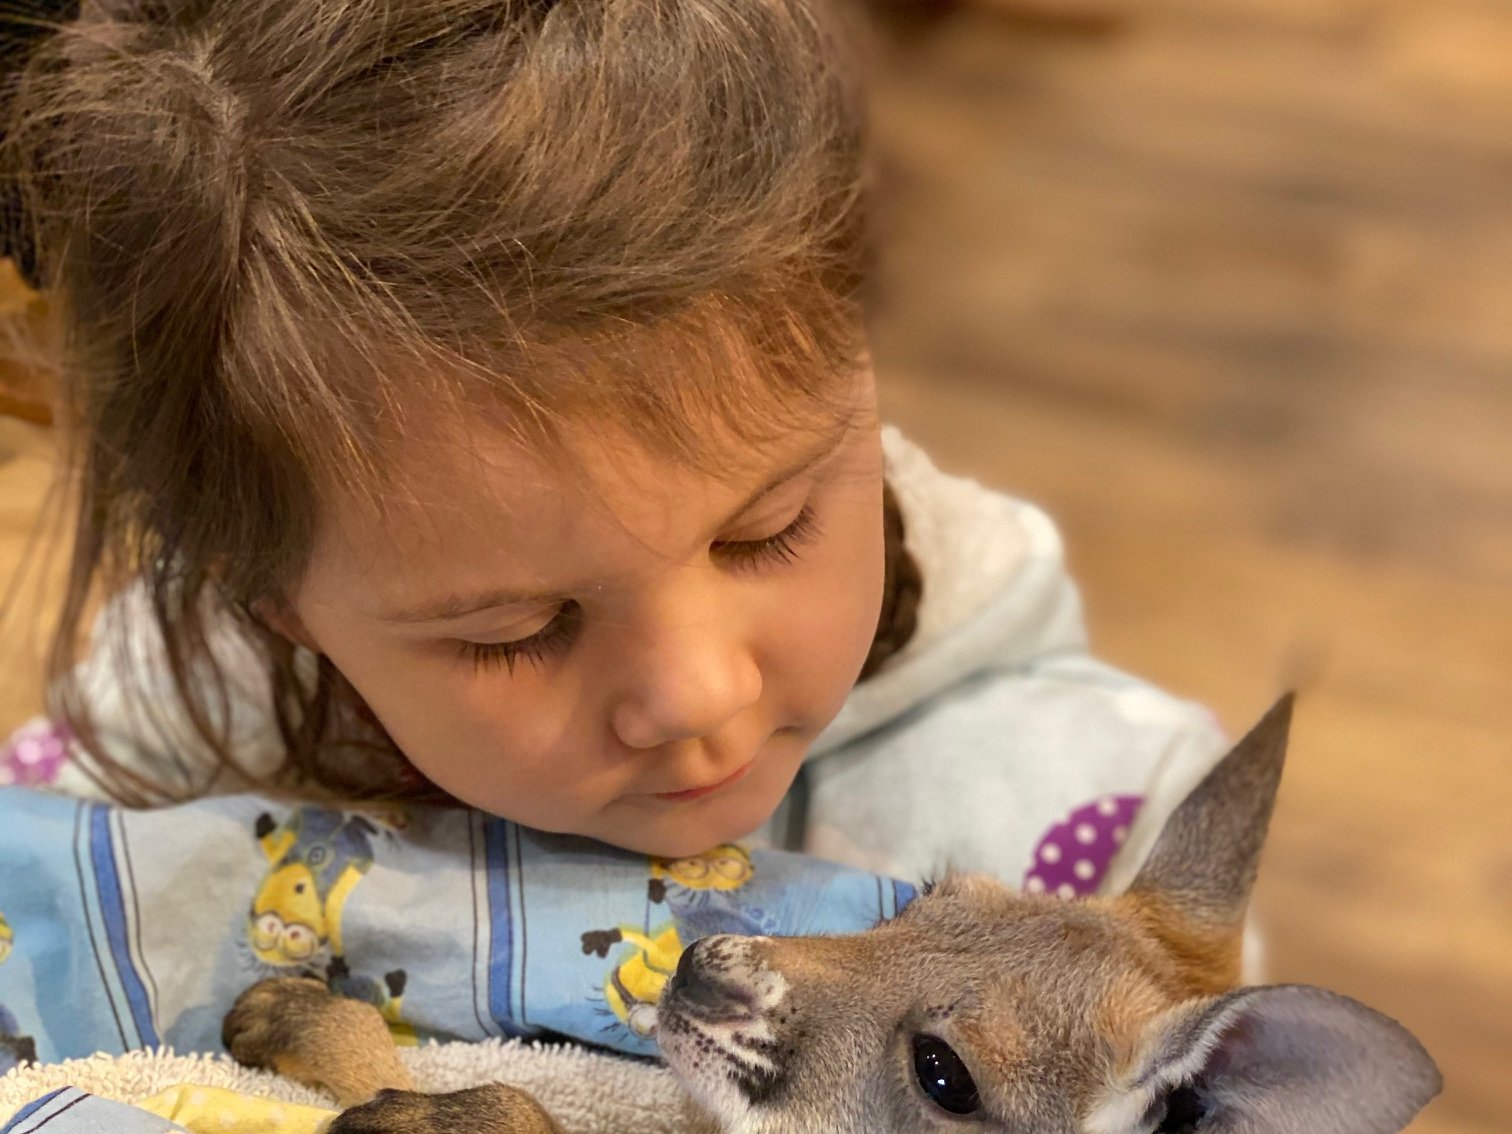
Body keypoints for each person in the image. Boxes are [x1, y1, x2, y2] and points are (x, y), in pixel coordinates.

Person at [0, 0, 1223, 891]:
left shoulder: (1086, 816)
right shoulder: (145, 777)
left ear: (857, 352)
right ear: (273, 603)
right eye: (516, 632)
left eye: (767, 531)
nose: (698, 694)